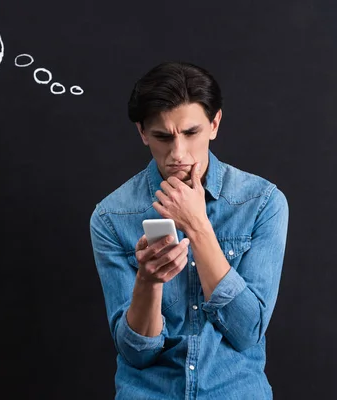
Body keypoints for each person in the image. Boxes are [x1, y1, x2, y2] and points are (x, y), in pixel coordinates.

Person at [89, 61, 289, 400]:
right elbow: (137, 354)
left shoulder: (261, 202)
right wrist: (147, 282)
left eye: (191, 133)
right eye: (163, 137)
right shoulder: (111, 216)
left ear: (214, 124)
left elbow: (247, 331)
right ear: (142, 133)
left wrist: (197, 227)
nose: (178, 154)